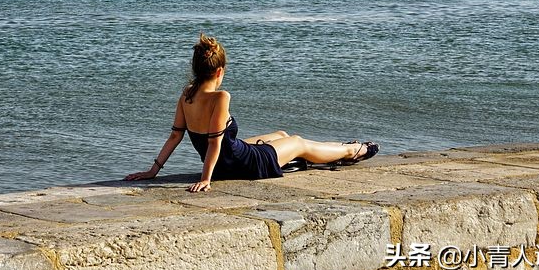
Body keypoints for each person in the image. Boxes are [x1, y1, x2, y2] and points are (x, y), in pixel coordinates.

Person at [125, 33, 378, 192]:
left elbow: (175, 137)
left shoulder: (187, 94)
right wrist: (206, 179)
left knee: (280, 134)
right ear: (219, 71)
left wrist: (153, 171)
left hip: (227, 160)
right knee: (298, 142)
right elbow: (214, 143)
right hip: (241, 165)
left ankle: (315, 157)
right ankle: (353, 150)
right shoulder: (221, 97)